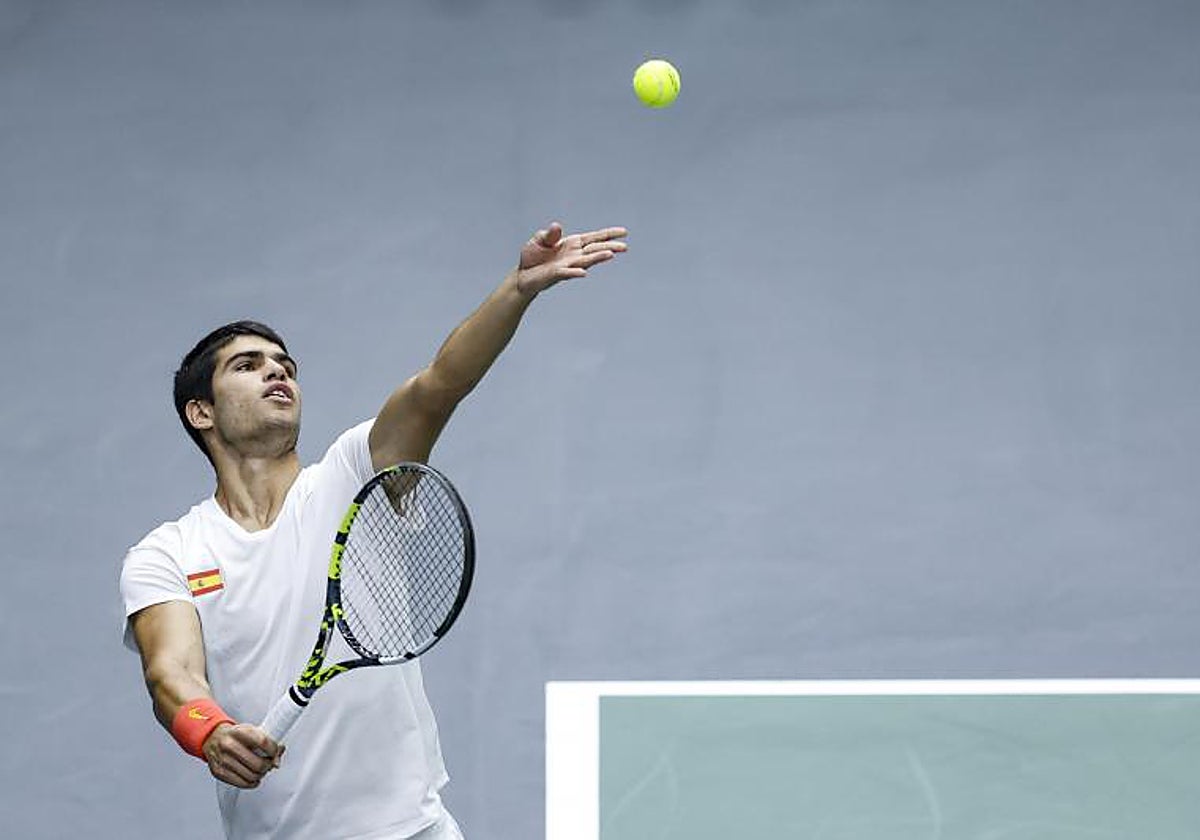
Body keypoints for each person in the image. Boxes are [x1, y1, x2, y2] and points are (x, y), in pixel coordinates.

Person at [119, 222, 628, 839]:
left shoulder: (355, 473)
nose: (276, 374)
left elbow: (439, 385)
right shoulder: (169, 552)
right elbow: (170, 673)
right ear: (200, 411)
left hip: (409, 830)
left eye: (285, 365)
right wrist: (211, 731)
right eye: (247, 367)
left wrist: (515, 292)